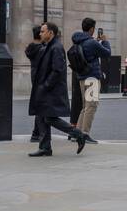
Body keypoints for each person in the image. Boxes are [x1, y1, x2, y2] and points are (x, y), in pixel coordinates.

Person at [28, 23, 87, 156]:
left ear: (51, 33)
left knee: (49, 118)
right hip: (45, 88)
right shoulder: (49, 46)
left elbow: (58, 70)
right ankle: (45, 147)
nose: (40, 34)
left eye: (43, 31)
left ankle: (78, 134)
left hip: (51, 90)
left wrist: (46, 85)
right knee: (42, 116)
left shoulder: (56, 48)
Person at [70, 17, 111, 144]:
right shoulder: (91, 43)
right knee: (91, 106)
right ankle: (85, 134)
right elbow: (107, 53)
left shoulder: (78, 41)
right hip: (92, 77)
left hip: (82, 78)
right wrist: (105, 42)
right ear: (92, 29)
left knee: (84, 107)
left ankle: (76, 133)